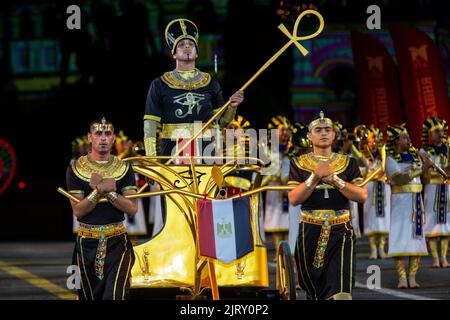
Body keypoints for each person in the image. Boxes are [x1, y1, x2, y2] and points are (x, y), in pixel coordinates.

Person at [288, 111, 367, 300]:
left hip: (342, 230)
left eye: (328, 129)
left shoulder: (349, 162)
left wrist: (334, 180)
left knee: (341, 292)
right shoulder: (298, 163)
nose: (323, 133)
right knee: (314, 290)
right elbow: (294, 199)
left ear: (334, 135)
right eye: (318, 129)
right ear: (309, 136)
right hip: (310, 229)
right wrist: (315, 177)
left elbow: (362, 196)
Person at [143, 18, 243, 159]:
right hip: (173, 150)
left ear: (196, 52)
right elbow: (150, 125)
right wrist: (151, 159)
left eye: (191, 44)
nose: (187, 47)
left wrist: (232, 107)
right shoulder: (159, 84)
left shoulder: (211, 83)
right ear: (174, 53)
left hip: (206, 150)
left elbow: (221, 124)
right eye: (181, 44)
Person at [66, 117, 138, 300]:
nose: (103, 138)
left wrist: (110, 193)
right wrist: (99, 190)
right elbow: (79, 211)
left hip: (118, 244)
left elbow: (132, 208)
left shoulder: (124, 168)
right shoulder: (75, 169)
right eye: (98, 133)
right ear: (90, 137)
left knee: (115, 296)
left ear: (114, 138)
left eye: (107, 133)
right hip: (86, 245)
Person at [385, 124, 430, 288]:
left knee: (416, 239)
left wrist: (426, 163)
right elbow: (399, 179)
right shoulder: (390, 159)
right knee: (400, 239)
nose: (409, 140)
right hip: (400, 204)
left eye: (409, 137)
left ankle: (412, 276)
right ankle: (402, 277)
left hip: (416, 202)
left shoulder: (416, 156)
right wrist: (421, 169)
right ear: (396, 141)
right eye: (405, 137)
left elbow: (425, 178)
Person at [356, 125, 391, 260]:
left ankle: (381, 247)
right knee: (370, 217)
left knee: (383, 218)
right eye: (372, 138)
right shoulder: (364, 156)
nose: (374, 141)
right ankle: (373, 249)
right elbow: (361, 170)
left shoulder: (384, 154)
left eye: (376, 138)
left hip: (383, 186)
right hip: (370, 188)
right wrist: (367, 171)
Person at [420, 117, 450, 268]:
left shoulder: (448, 148)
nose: (440, 133)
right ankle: (435, 258)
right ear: (430, 134)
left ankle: (444, 257)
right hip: (432, 188)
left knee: (446, 224)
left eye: (442, 130)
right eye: (437, 131)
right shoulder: (424, 151)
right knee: (432, 222)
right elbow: (423, 175)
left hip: (447, 188)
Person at [263, 115, 292, 258]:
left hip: (288, 189)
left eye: (286, 130)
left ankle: (288, 250)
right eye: (282, 130)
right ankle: (277, 250)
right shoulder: (267, 150)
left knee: (287, 220)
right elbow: (264, 170)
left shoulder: (291, 150)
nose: (285, 133)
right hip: (274, 189)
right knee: (275, 220)